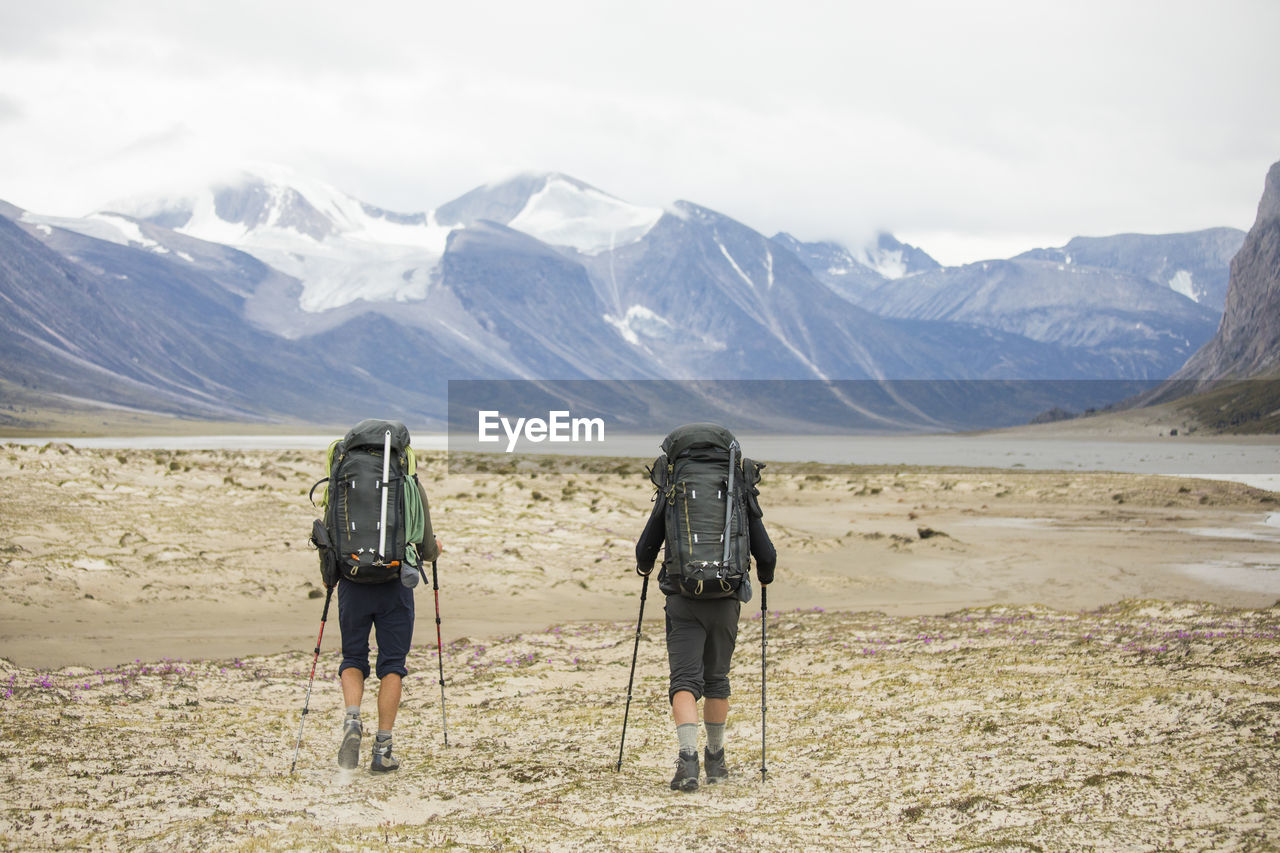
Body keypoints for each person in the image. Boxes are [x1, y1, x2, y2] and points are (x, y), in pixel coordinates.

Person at [634, 424, 777, 791]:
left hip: (682, 598)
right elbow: (767, 553)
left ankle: (688, 762)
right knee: (717, 679)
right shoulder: (736, 488)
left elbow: (645, 548)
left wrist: (647, 567)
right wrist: (764, 576)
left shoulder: (674, 489)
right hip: (726, 597)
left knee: (684, 680)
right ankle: (716, 760)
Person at [336, 489, 441, 773]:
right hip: (394, 584)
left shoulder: (344, 476)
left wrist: (328, 576)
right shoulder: (408, 483)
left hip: (352, 581)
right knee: (393, 665)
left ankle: (353, 718)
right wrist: (435, 550)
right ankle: (382, 749)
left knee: (353, 657)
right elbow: (426, 543)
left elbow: (329, 529)